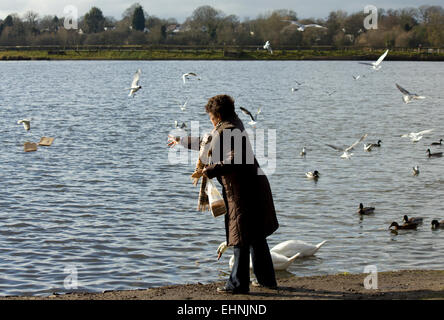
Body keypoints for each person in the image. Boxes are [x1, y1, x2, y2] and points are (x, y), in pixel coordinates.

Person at [168, 94, 279, 294]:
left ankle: (237, 285)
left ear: (217, 115)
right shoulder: (231, 125)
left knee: (240, 237)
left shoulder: (228, 130)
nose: (210, 120)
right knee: (255, 236)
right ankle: (266, 281)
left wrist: (209, 170)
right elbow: (206, 142)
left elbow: (235, 161)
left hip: (243, 191)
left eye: (210, 116)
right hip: (252, 187)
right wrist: (181, 140)